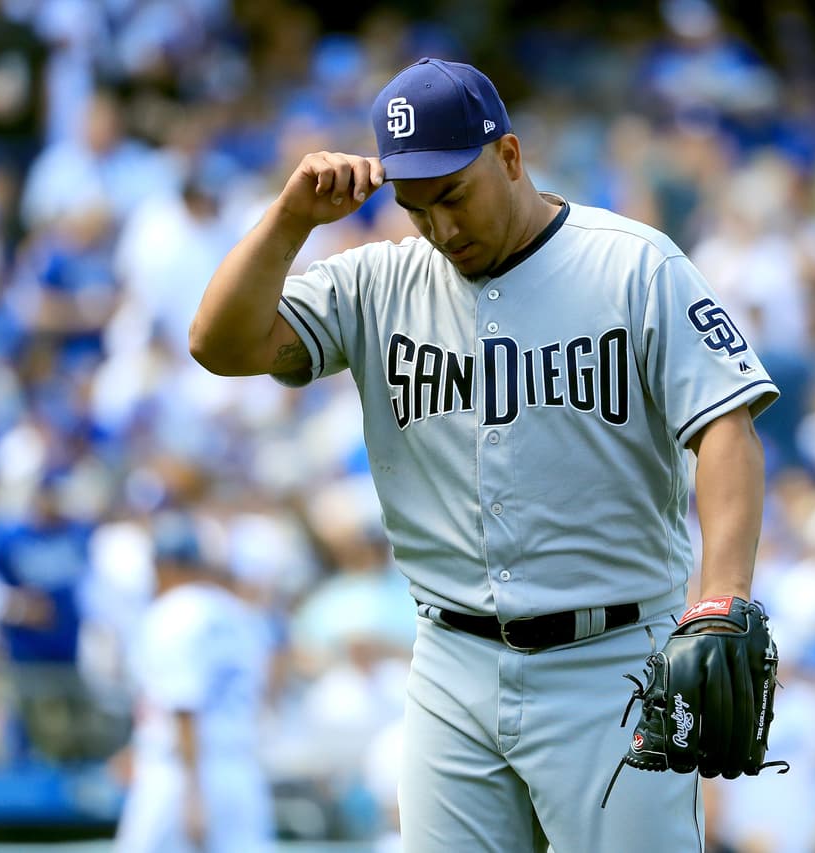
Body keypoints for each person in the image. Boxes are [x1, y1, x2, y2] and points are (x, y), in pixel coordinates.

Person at [191, 56, 778, 852]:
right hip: (451, 666)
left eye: (454, 196)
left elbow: (727, 426)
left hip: (611, 664)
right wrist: (290, 219)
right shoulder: (379, 282)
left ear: (508, 157)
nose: (441, 228)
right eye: (417, 208)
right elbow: (218, 344)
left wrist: (723, 595)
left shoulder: (634, 264)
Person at [114, 511, 273, 853]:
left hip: (182, 774)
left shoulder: (172, 613)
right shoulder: (237, 612)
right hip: (240, 770)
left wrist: (193, 792)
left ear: (164, 565)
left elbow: (185, 704)